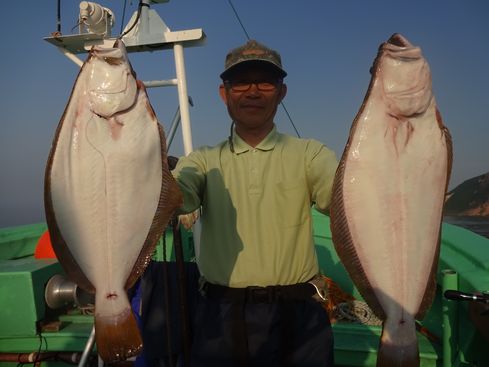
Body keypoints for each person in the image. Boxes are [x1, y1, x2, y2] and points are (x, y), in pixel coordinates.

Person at [172, 39, 338, 366]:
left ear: (281, 92)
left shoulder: (311, 154)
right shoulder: (202, 160)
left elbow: (346, 201)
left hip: (299, 315)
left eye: (265, 82)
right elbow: (177, 196)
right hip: (219, 314)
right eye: (241, 83)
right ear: (224, 93)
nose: (252, 91)